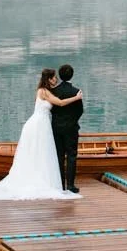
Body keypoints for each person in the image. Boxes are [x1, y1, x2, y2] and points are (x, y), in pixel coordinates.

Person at [0, 69, 81, 200]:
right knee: (41, 151)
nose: (55, 80)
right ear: (48, 79)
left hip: (44, 124)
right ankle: (48, 180)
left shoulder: (47, 91)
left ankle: (52, 179)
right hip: (39, 124)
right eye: (53, 78)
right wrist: (77, 97)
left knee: (42, 152)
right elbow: (60, 103)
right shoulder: (43, 91)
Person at [51, 63, 85, 194]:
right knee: (71, 155)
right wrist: (72, 121)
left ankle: (60, 184)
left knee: (59, 155)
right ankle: (71, 185)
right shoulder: (76, 92)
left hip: (56, 127)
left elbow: (52, 110)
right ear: (72, 75)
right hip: (71, 128)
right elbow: (80, 111)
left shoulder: (54, 91)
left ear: (59, 76)